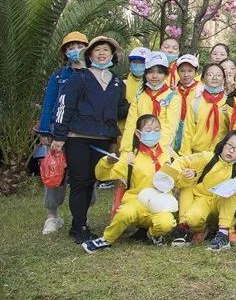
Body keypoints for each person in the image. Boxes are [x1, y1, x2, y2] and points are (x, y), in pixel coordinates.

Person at [51, 36, 130, 244]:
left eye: (106, 50)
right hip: (77, 138)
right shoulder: (80, 77)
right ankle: (81, 227)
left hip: (103, 139)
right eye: (98, 50)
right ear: (90, 54)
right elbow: (64, 106)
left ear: (112, 56)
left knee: (91, 182)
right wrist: (59, 136)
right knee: (79, 182)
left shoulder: (116, 82)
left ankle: (77, 224)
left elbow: (120, 109)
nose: (102, 53)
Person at [80, 114, 177, 252]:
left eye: (157, 130)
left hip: (160, 202)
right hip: (137, 200)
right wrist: (106, 163)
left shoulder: (168, 153)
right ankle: (107, 239)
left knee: (166, 222)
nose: (153, 134)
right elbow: (102, 175)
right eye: (148, 131)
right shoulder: (131, 156)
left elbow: (180, 175)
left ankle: (153, 235)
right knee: (125, 213)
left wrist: (189, 174)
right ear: (138, 133)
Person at [168, 130, 236, 250]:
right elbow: (182, 160)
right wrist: (168, 175)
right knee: (193, 219)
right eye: (229, 145)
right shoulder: (208, 157)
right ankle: (199, 229)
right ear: (223, 144)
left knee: (232, 187)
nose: (231, 150)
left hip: (223, 205)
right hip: (203, 199)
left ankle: (223, 233)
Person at [37, 31, 88, 235]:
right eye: (70, 47)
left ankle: (82, 216)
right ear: (65, 52)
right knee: (55, 173)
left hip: (84, 133)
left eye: (79, 46)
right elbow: (49, 103)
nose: (75, 50)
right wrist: (44, 130)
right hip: (59, 132)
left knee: (85, 177)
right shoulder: (58, 76)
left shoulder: (94, 73)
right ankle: (53, 216)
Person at [120, 52, 181, 154]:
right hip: (139, 148)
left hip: (163, 151)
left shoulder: (173, 98)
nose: (154, 76)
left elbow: (170, 127)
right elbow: (131, 124)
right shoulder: (139, 97)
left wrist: (156, 149)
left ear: (166, 74)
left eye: (160, 72)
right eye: (151, 72)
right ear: (145, 73)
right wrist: (125, 150)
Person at [179, 63, 230, 155]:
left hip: (221, 155)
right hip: (198, 154)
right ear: (203, 79)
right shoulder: (195, 103)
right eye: (210, 75)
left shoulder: (229, 102)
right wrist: (185, 156)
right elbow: (188, 132)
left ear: (224, 79)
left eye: (219, 75)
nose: (214, 78)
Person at [173, 54, 202, 151]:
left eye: (190, 71)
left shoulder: (201, 90)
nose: (186, 75)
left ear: (196, 72)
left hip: (194, 128)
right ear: (177, 72)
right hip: (176, 127)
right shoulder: (174, 90)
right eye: (182, 71)